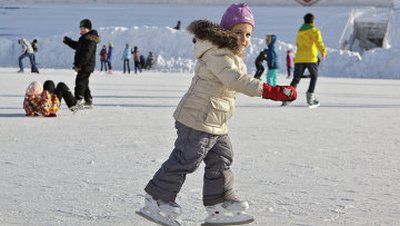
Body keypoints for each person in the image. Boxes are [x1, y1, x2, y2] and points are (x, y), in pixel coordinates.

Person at [140, 3, 297, 225]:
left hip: (215, 121)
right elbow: (236, 80)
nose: (244, 38)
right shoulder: (218, 53)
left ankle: (218, 204)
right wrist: (271, 91)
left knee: (222, 157)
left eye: (248, 34)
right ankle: (157, 199)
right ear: (226, 32)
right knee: (186, 158)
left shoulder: (230, 55)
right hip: (197, 118)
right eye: (238, 32)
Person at [282, 13, 327, 108]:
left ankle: (287, 98)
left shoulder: (300, 31)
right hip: (310, 58)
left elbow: (297, 44)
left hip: (299, 58)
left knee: (296, 79)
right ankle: (310, 97)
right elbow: (319, 42)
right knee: (314, 76)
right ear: (313, 21)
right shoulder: (314, 30)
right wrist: (323, 52)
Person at [63, 18, 100, 109]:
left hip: (86, 65)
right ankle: (88, 100)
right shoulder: (85, 38)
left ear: (87, 28)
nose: (81, 30)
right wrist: (68, 41)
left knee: (80, 81)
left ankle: (78, 100)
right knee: (84, 82)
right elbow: (78, 46)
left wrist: (79, 64)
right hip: (85, 65)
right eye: (80, 28)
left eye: (82, 28)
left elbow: (86, 53)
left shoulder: (90, 39)